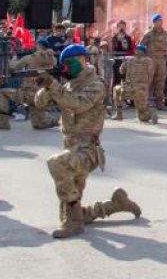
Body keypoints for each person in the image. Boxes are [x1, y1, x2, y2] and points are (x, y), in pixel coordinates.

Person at [38, 44, 141, 238]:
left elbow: (78, 104)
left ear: (82, 60)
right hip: (70, 147)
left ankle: (74, 224)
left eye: (68, 64)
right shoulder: (68, 85)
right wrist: (46, 86)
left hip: (87, 149)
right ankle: (114, 205)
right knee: (71, 208)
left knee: (56, 163)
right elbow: (39, 103)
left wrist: (54, 87)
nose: (66, 68)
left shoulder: (96, 84)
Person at [0, 37, 60, 130]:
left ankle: (3, 123)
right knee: (38, 124)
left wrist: (13, 57)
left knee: (2, 93)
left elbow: (13, 67)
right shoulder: (52, 59)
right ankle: (59, 121)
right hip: (44, 95)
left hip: (28, 93)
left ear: (38, 46)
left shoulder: (30, 58)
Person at [114, 44, 157, 123]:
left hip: (135, 87)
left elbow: (121, 71)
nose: (137, 51)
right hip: (135, 87)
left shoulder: (146, 61)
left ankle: (150, 112)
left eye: (138, 50)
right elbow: (121, 71)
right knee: (117, 89)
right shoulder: (131, 60)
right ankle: (119, 113)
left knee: (143, 117)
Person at [139, 14, 167, 110]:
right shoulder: (148, 34)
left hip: (162, 60)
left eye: (161, 20)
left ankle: (160, 104)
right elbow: (140, 46)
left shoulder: (165, 34)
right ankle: (143, 103)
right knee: (147, 82)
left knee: (160, 82)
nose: (160, 22)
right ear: (154, 22)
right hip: (151, 60)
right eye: (158, 21)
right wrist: (142, 58)